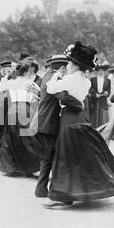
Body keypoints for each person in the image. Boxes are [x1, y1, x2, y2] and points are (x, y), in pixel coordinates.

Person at [45, 42, 114, 205]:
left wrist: (55, 76)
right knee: (80, 155)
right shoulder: (86, 81)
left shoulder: (70, 78)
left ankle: (64, 195)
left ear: (75, 65)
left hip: (69, 119)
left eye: (69, 63)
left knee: (66, 156)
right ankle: (79, 191)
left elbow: (51, 89)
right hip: (80, 118)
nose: (67, 66)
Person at [34, 55, 84, 198]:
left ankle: (42, 189)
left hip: (44, 121)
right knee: (51, 158)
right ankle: (49, 190)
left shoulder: (46, 76)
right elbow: (65, 97)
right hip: (50, 123)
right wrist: (80, 104)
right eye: (66, 68)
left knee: (47, 158)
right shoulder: (55, 78)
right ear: (61, 68)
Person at [0, 59, 42, 177]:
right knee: (26, 139)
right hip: (26, 110)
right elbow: (37, 97)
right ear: (27, 72)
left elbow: (0, 88)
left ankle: (11, 167)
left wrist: (6, 76)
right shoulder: (32, 83)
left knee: (11, 138)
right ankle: (27, 168)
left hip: (13, 110)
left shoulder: (12, 82)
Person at [89, 62, 111, 128]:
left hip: (103, 100)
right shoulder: (93, 80)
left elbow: (108, 89)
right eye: (99, 71)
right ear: (97, 72)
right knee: (95, 115)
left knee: (103, 115)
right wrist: (95, 94)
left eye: (102, 71)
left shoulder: (108, 80)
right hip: (95, 100)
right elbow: (90, 88)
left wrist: (106, 93)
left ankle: (103, 128)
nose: (100, 72)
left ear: (104, 71)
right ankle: (94, 128)